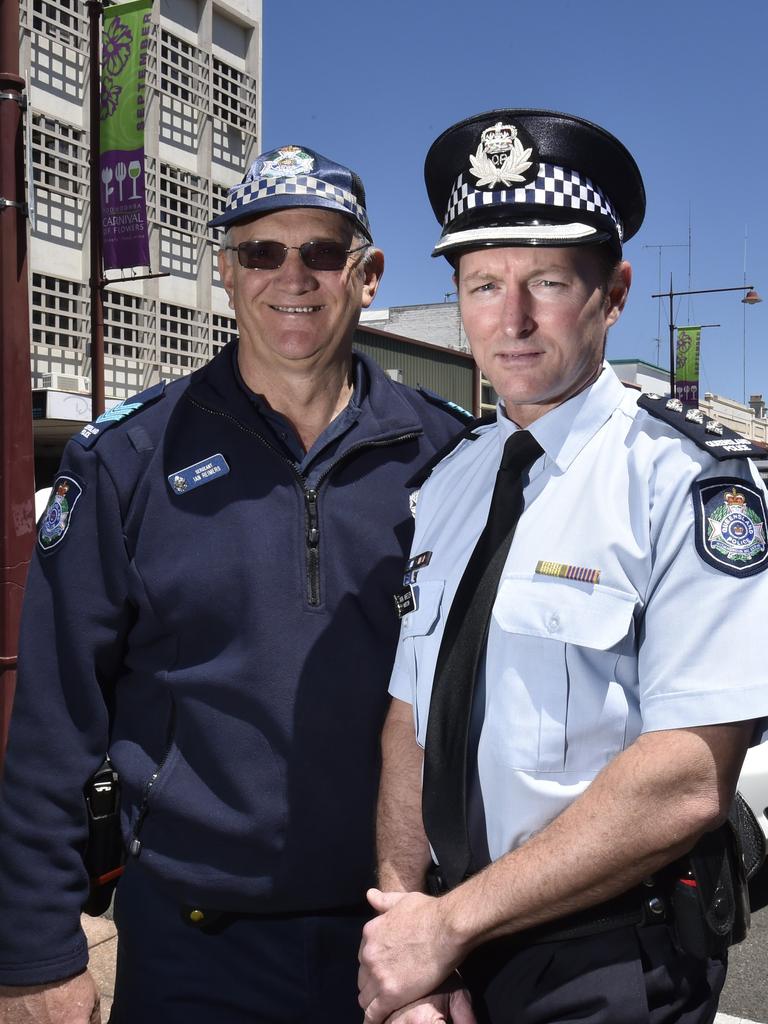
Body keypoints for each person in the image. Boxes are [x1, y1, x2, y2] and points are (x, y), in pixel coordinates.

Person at [0, 144, 468, 1023]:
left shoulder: (446, 456)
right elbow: (57, 715)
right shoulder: (128, 460)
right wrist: (31, 949)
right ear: (225, 271)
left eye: (323, 252)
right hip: (193, 944)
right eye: (261, 252)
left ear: (368, 275)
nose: (292, 276)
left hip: (400, 940)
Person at [357, 109, 768, 1024]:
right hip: (448, 943)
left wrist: (449, 925)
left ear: (613, 294)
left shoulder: (689, 485)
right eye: (481, 284)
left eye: (546, 280)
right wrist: (405, 926)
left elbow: (688, 773)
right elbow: (408, 719)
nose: (512, 319)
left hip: (606, 961)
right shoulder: (451, 483)